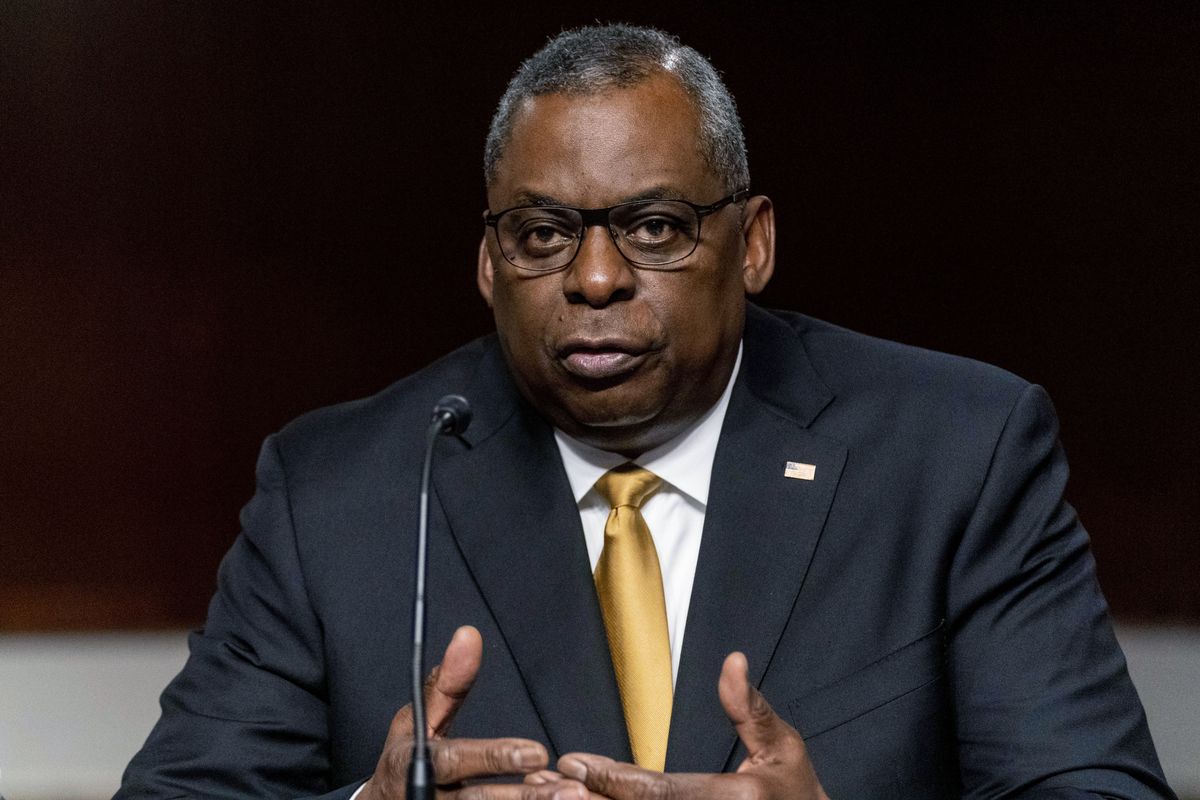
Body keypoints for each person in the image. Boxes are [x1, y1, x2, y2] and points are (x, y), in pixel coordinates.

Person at [117, 24, 1175, 800]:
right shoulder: (341, 490)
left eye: (655, 227)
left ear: (752, 243)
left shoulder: (957, 454)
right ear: (489, 266)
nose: (594, 277)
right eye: (542, 234)